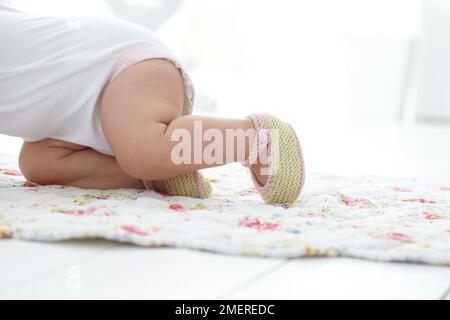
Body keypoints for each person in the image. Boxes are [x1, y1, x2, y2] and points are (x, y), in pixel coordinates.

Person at [0, 6, 305, 205]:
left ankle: (257, 139)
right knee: (39, 163)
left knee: (143, 149)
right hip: (74, 121)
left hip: (121, 66)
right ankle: (163, 174)